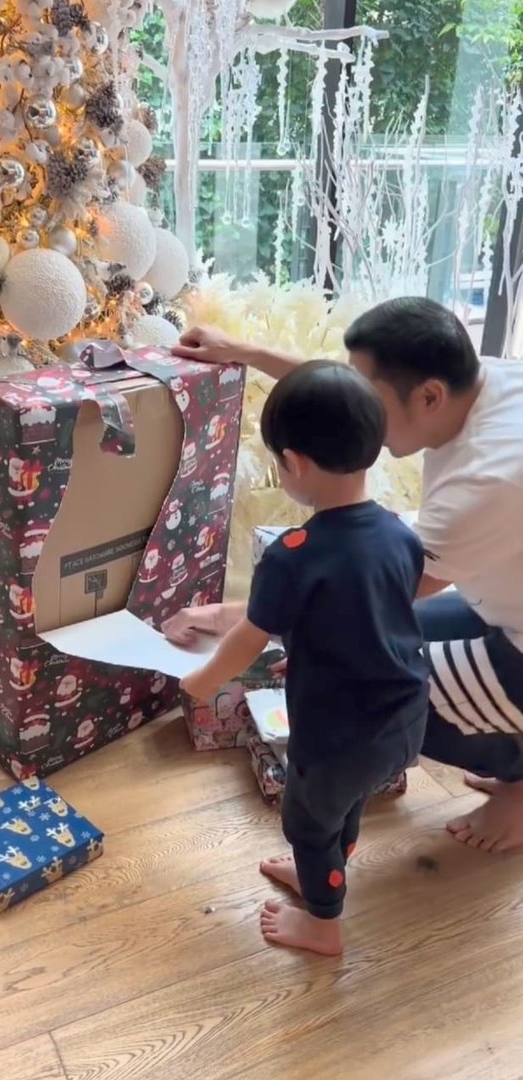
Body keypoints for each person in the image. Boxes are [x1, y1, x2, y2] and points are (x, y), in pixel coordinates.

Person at [164, 297, 523, 854]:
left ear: (429, 395)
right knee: (374, 645)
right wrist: (242, 351)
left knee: (379, 704)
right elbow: (341, 396)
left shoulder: (486, 482)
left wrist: (222, 617)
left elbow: (360, 596)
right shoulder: (486, 379)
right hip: (497, 598)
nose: (358, 410)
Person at [180, 360, 428, 955]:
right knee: (344, 807)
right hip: (404, 715)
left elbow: (247, 638)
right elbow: (386, 604)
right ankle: (328, 868)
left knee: (307, 820)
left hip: (339, 732)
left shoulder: (295, 554)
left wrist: (201, 680)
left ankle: (323, 922)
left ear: (293, 463)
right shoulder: (400, 533)